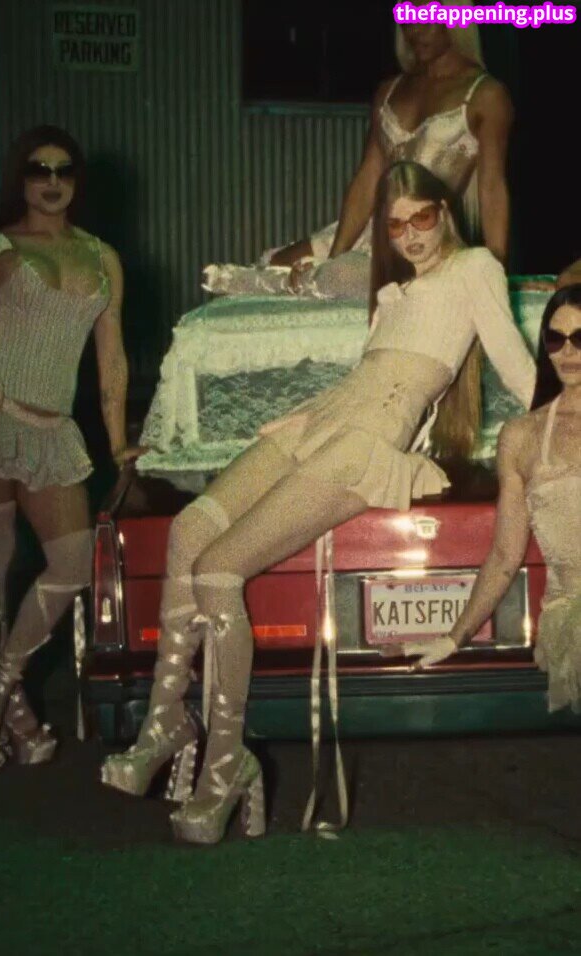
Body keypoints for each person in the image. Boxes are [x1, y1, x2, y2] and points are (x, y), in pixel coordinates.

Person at [101, 162, 535, 844]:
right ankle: (165, 723)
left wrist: (564, 425)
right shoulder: (391, 290)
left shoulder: (474, 267)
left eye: (422, 218)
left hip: (365, 441)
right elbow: (308, 286)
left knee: (218, 569)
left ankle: (226, 763)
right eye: (397, 225)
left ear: (446, 212)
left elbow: (514, 360)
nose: (411, 235)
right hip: (323, 417)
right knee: (188, 530)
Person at [206, 4, 513, 301]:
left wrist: (495, 270)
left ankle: (256, 280)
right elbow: (367, 179)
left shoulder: (486, 95)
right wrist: (336, 254)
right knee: (278, 263)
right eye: (407, 19)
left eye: (425, 18)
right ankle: (304, 277)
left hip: (418, 238)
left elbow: (491, 188)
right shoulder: (390, 90)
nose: (414, 30)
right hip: (373, 230)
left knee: (338, 278)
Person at [0, 126, 132, 771]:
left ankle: (0, 689)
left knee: (75, 563)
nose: (51, 182)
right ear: (19, 178)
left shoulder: (102, 258)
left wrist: (120, 444)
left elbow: (113, 361)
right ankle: (17, 719)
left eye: (63, 170)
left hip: (51, 431)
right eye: (37, 169)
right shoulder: (0, 248)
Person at [404, 284, 581, 715]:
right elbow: (504, 555)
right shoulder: (521, 436)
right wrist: (455, 637)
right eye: (555, 339)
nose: (567, 351)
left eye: (580, 338)